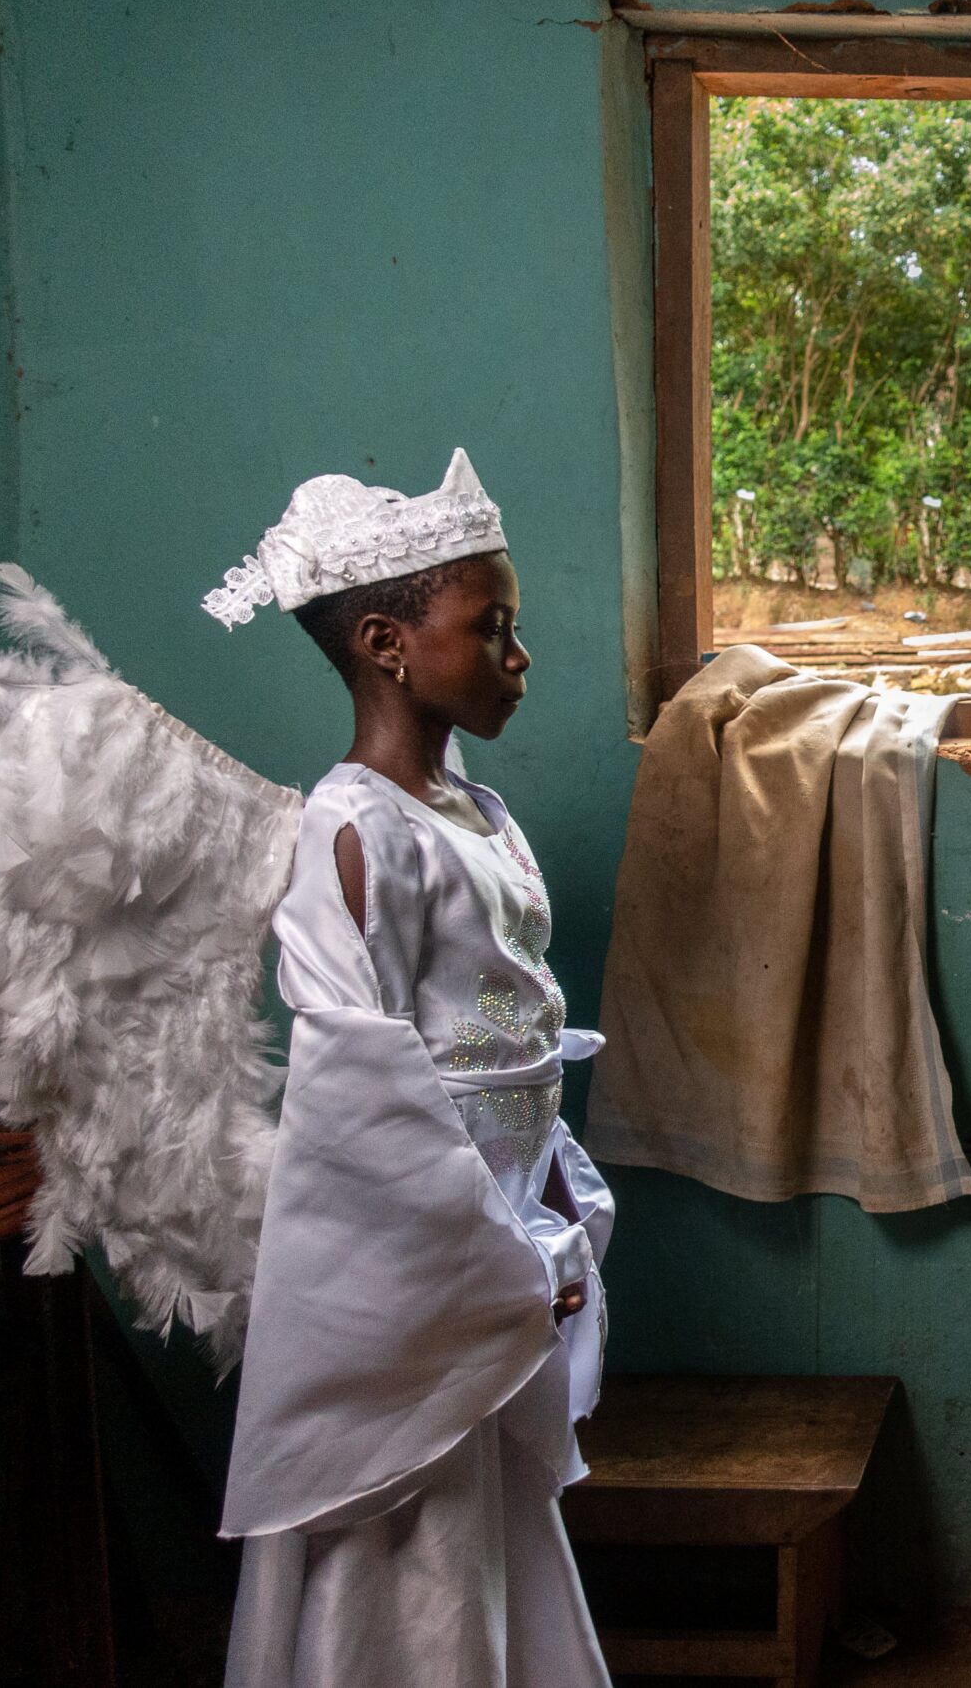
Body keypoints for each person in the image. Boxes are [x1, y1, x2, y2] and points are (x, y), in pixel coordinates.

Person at [211, 451, 617, 1688]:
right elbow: (362, 1101)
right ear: (387, 642)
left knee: (486, 1522)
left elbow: (515, 1040)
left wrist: (552, 1203)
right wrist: (498, 1255)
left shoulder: (477, 814)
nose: (518, 653)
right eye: (488, 627)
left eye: (514, 626)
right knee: (414, 1541)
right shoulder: (350, 830)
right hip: (423, 1273)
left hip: (501, 1247)